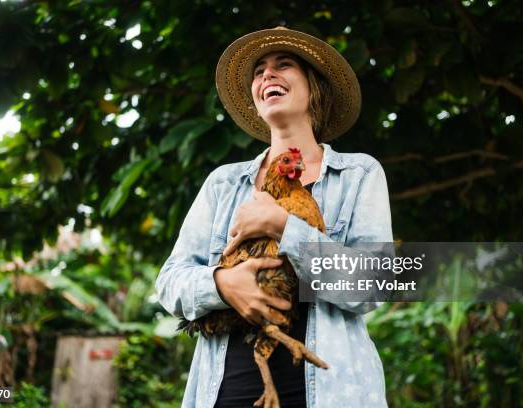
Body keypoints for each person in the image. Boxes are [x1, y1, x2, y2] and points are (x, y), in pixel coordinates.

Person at [155, 27, 393, 408]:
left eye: (284, 65)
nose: (267, 75)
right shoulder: (224, 183)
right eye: (259, 71)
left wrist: (283, 227)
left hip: (330, 392)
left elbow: (372, 283)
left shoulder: (358, 175)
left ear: (313, 87)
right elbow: (169, 282)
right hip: (227, 389)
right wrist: (221, 283)